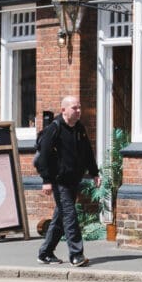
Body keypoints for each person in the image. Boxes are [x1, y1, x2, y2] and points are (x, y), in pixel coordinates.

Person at [35, 96, 99, 267]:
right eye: (74, 108)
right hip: (59, 181)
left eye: (79, 107)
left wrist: (94, 173)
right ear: (63, 110)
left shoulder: (79, 128)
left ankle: (45, 252)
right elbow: (43, 157)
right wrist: (46, 180)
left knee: (60, 217)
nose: (78, 111)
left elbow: (87, 152)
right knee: (70, 215)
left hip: (73, 179)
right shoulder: (54, 129)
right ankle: (76, 255)